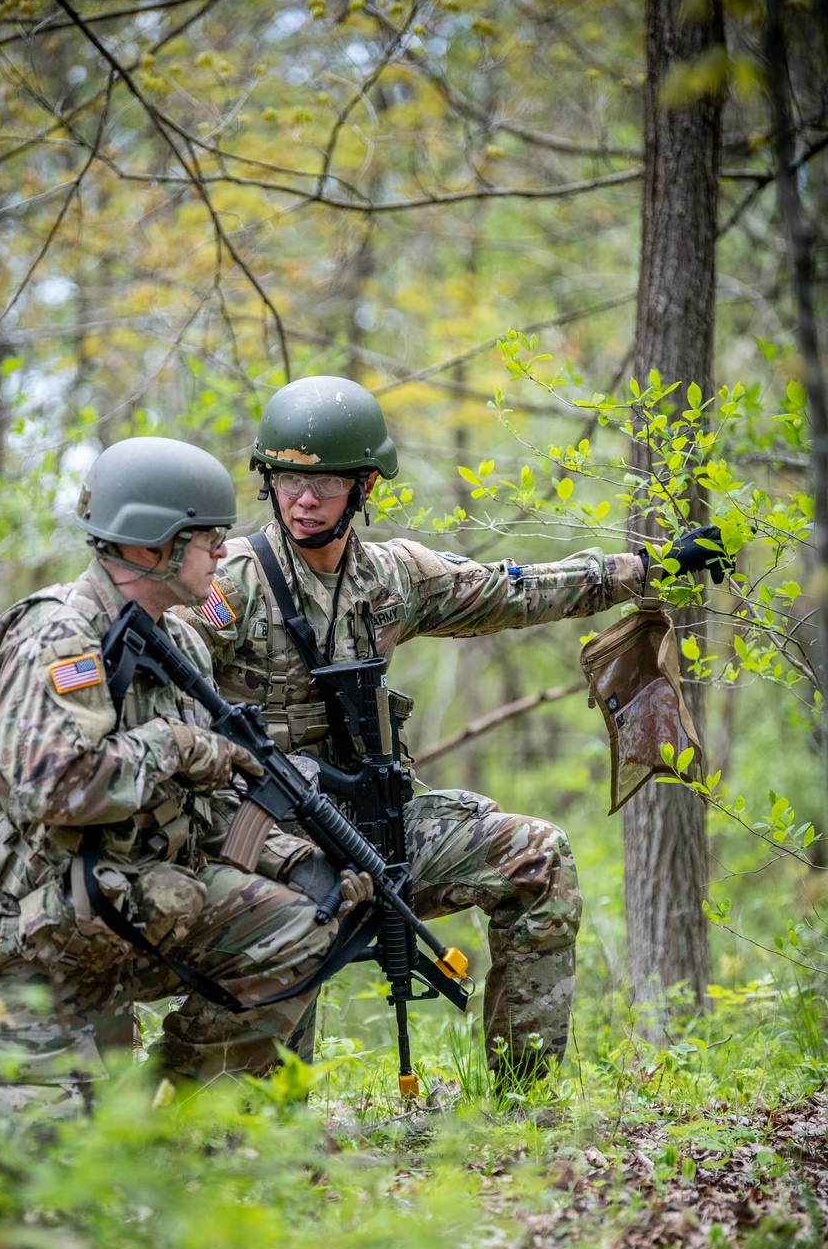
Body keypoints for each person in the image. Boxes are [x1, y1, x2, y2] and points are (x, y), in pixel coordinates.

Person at [174, 375, 730, 1075]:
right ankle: (265, 1133)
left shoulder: (393, 577)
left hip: (374, 827)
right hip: (268, 838)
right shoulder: (233, 585)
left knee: (536, 856)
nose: (304, 500)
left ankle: (522, 1101)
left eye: (325, 484)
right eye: (287, 481)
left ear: (365, 484)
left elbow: (515, 590)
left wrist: (647, 568)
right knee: (277, 992)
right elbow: (168, 682)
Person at [0, 436, 372, 1115]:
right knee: (47, 1161)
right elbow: (55, 789)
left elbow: (200, 811)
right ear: (154, 548)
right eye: (210, 539)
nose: (226, 554)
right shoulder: (57, 638)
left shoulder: (174, 640)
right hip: (22, 935)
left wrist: (295, 859)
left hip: (118, 911)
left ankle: (171, 1116)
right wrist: (172, 745)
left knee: (304, 924)